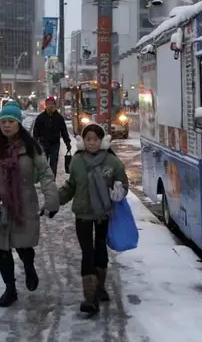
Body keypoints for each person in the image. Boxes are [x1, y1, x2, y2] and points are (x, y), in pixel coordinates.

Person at [0, 101, 60, 307]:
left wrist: (52, 200)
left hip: (24, 204)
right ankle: (10, 289)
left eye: (11, 121)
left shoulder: (31, 148)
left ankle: (29, 268)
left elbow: (45, 174)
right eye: (3, 121)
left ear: (19, 123)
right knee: (2, 250)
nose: (6, 125)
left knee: (23, 247)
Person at [58, 123, 128, 315]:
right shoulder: (77, 161)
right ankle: (90, 298)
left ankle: (100, 286)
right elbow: (70, 186)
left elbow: (122, 182)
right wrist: (54, 202)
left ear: (102, 141)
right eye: (88, 139)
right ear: (82, 141)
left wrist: (119, 192)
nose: (92, 143)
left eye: (95, 139)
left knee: (100, 250)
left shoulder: (112, 162)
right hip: (82, 214)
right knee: (87, 252)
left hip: (104, 215)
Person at [32, 96, 72, 178]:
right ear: (46, 105)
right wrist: (34, 142)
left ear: (55, 105)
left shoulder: (59, 118)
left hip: (55, 144)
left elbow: (64, 131)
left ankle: (52, 179)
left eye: (52, 104)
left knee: (53, 163)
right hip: (43, 143)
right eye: (49, 104)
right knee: (43, 163)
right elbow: (36, 131)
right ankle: (44, 179)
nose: (51, 105)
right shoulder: (41, 117)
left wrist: (67, 142)